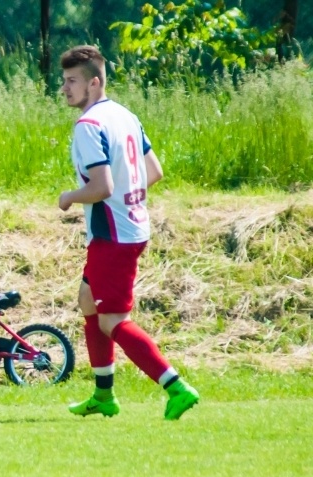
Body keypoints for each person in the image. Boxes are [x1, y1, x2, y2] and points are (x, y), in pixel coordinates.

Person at [57, 45, 199, 420]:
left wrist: (70, 197)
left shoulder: (88, 126)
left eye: (72, 81)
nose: (65, 88)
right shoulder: (124, 114)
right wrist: (129, 198)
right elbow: (154, 171)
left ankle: (175, 386)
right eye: (64, 80)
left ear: (95, 82)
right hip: (132, 227)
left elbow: (101, 187)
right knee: (88, 300)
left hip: (113, 237)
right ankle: (103, 395)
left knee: (112, 320)